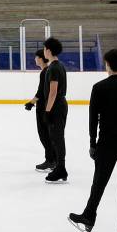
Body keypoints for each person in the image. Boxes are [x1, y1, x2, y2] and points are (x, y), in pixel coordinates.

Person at [68, 49, 117, 232]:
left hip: (108, 141)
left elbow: (94, 118)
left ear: (107, 63)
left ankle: (89, 216)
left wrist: (92, 142)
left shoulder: (99, 87)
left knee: (99, 181)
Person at [24, 50, 56, 172]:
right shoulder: (47, 71)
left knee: (45, 135)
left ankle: (50, 161)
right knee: (48, 135)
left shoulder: (45, 72)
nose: (35, 59)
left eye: (36, 57)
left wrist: (31, 102)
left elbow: (40, 92)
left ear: (42, 59)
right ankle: (53, 160)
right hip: (45, 106)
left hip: (43, 107)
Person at [43, 37, 69, 184]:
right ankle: (60, 167)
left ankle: (61, 168)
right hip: (59, 105)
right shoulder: (59, 65)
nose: (44, 51)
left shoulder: (53, 68)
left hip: (56, 106)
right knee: (57, 137)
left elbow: (53, 92)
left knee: (57, 138)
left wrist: (47, 111)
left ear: (49, 50)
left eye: (45, 48)